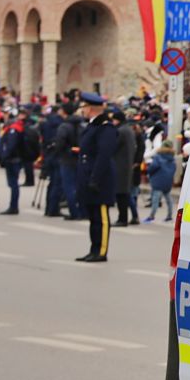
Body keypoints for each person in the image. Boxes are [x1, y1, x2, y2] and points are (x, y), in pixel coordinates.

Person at [75, 92, 122, 262]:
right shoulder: (93, 126)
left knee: (101, 218)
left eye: (84, 107)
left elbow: (104, 155)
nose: (82, 110)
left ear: (90, 108)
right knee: (93, 217)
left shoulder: (105, 128)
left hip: (100, 179)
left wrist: (95, 178)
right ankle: (93, 249)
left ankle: (101, 251)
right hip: (90, 177)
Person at [0, 109, 26, 215]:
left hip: (13, 159)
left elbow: (11, 145)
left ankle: (13, 207)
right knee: (13, 184)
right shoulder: (17, 127)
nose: (4, 115)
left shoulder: (13, 129)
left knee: (13, 184)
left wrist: (4, 157)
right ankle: (13, 206)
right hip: (16, 158)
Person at [144, 140, 177, 223]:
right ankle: (169, 216)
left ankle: (151, 216)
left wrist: (149, 172)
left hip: (158, 181)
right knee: (168, 199)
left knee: (155, 199)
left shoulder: (159, 156)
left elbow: (153, 167)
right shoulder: (172, 158)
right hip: (167, 182)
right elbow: (174, 169)